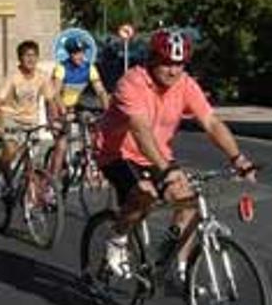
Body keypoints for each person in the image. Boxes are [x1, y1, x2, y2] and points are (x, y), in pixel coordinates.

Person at [96, 28, 257, 287]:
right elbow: (140, 130)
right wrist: (166, 169)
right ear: (152, 60)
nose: (173, 71)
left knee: (188, 200)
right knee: (144, 193)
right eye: (167, 63)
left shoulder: (185, 84)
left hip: (156, 155)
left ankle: (180, 268)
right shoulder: (132, 82)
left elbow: (211, 122)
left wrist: (237, 158)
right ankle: (117, 239)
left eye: (179, 64)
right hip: (117, 152)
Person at [0, 40, 56, 197]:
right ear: (20, 58)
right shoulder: (13, 77)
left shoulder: (42, 77)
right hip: (11, 118)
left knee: (33, 161)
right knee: (10, 151)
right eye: (26, 56)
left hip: (31, 121)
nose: (30, 59)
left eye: (33, 55)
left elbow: (50, 100)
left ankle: (33, 196)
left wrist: (54, 121)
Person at [48, 36, 110, 177]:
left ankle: (86, 158)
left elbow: (100, 90)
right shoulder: (61, 68)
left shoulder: (89, 68)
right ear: (70, 54)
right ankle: (52, 181)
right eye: (76, 53)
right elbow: (55, 93)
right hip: (56, 107)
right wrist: (62, 110)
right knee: (61, 145)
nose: (79, 56)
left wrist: (107, 109)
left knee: (93, 126)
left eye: (82, 52)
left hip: (76, 107)